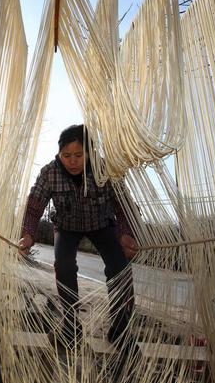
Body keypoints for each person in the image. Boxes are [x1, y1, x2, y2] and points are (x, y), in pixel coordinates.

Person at [19, 124, 138, 348]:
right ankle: (70, 327)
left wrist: (125, 234)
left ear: (90, 153)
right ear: (59, 154)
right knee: (63, 265)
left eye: (78, 155)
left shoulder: (106, 170)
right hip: (66, 226)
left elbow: (124, 207)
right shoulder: (49, 173)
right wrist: (28, 234)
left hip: (102, 224)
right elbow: (34, 207)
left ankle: (120, 329)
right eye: (66, 155)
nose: (72, 161)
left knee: (119, 268)